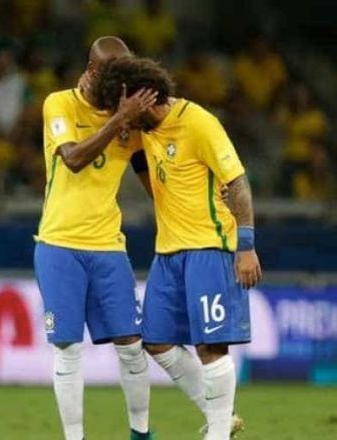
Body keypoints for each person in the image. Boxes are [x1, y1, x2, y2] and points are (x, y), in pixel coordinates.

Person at [92, 56, 261, 440]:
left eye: (128, 109)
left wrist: (246, 245)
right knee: (156, 340)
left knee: (210, 346)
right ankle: (219, 414)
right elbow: (141, 164)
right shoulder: (145, 131)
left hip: (210, 247)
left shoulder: (199, 122)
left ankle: (217, 433)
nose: (125, 118)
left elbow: (236, 182)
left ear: (147, 99)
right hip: (167, 253)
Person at [34, 36, 157, 440]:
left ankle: (140, 434)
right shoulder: (60, 103)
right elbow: (72, 158)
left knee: (131, 345)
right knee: (67, 348)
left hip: (108, 246)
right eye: (111, 75)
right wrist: (119, 120)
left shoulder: (127, 120)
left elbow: (155, 185)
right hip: (59, 245)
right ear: (91, 71)